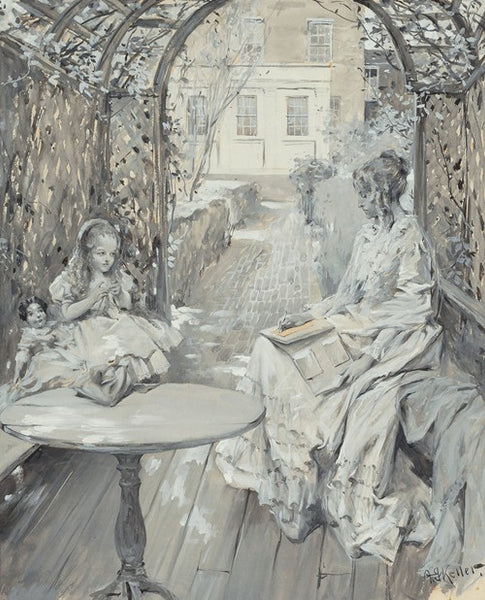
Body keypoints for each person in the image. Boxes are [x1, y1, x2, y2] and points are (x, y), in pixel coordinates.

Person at [216, 150, 485, 573]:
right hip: (357, 324)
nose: (360, 202)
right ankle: (282, 475)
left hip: (400, 337)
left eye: (365, 194)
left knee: (337, 380)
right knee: (272, 346)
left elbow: (414, 308)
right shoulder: (367, 235)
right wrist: (311, 316)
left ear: (383, 193)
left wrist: (366, 350)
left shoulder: (410, 238)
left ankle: (317, 479)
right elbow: (348, 294)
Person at [48, 218, 182, 406]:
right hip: (89, 330)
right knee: (100, 368)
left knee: (130, 345)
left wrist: (120, 294)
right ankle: (95, 387)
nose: (107, 259)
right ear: (87, 253)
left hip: (115, 326)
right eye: (101, 253)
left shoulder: (115, 276)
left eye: (111, 254)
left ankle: (119, 384)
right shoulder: (76, 278)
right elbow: (68, 313)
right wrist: (92, 298)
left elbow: (127, 305)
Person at [2, 296, 84, 403]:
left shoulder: (54, 328)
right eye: (31, 314)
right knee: (46, 371)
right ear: (26, 320)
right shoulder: (29, 335)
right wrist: (17, 374)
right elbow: (22, 354)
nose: (38, 315)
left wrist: (59, 338)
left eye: (40, 311)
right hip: (42, 364)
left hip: (60, 358)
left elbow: (67, 344)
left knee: (72, 370)